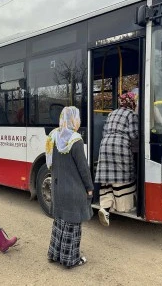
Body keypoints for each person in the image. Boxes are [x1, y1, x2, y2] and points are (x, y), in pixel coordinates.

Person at [45, 106, 94, 268]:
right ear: (74, 119)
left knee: (59, 223)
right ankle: (70, 259)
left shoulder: (53, 136)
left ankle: (54, 254)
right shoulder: (75, 139)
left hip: (58, 187)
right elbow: (83, 168)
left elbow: (50, 164)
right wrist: (89, 187)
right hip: (73, 190)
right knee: (73, 226)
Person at [95, 92, 139, 227]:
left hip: (105, 145)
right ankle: (123, 207)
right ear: (132, 103)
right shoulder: (131, 114)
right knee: (123, 178)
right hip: (120, 147)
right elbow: (134, 134)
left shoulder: (111, 113)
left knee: (107, 179)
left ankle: (105, 208)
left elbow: (104, 132)